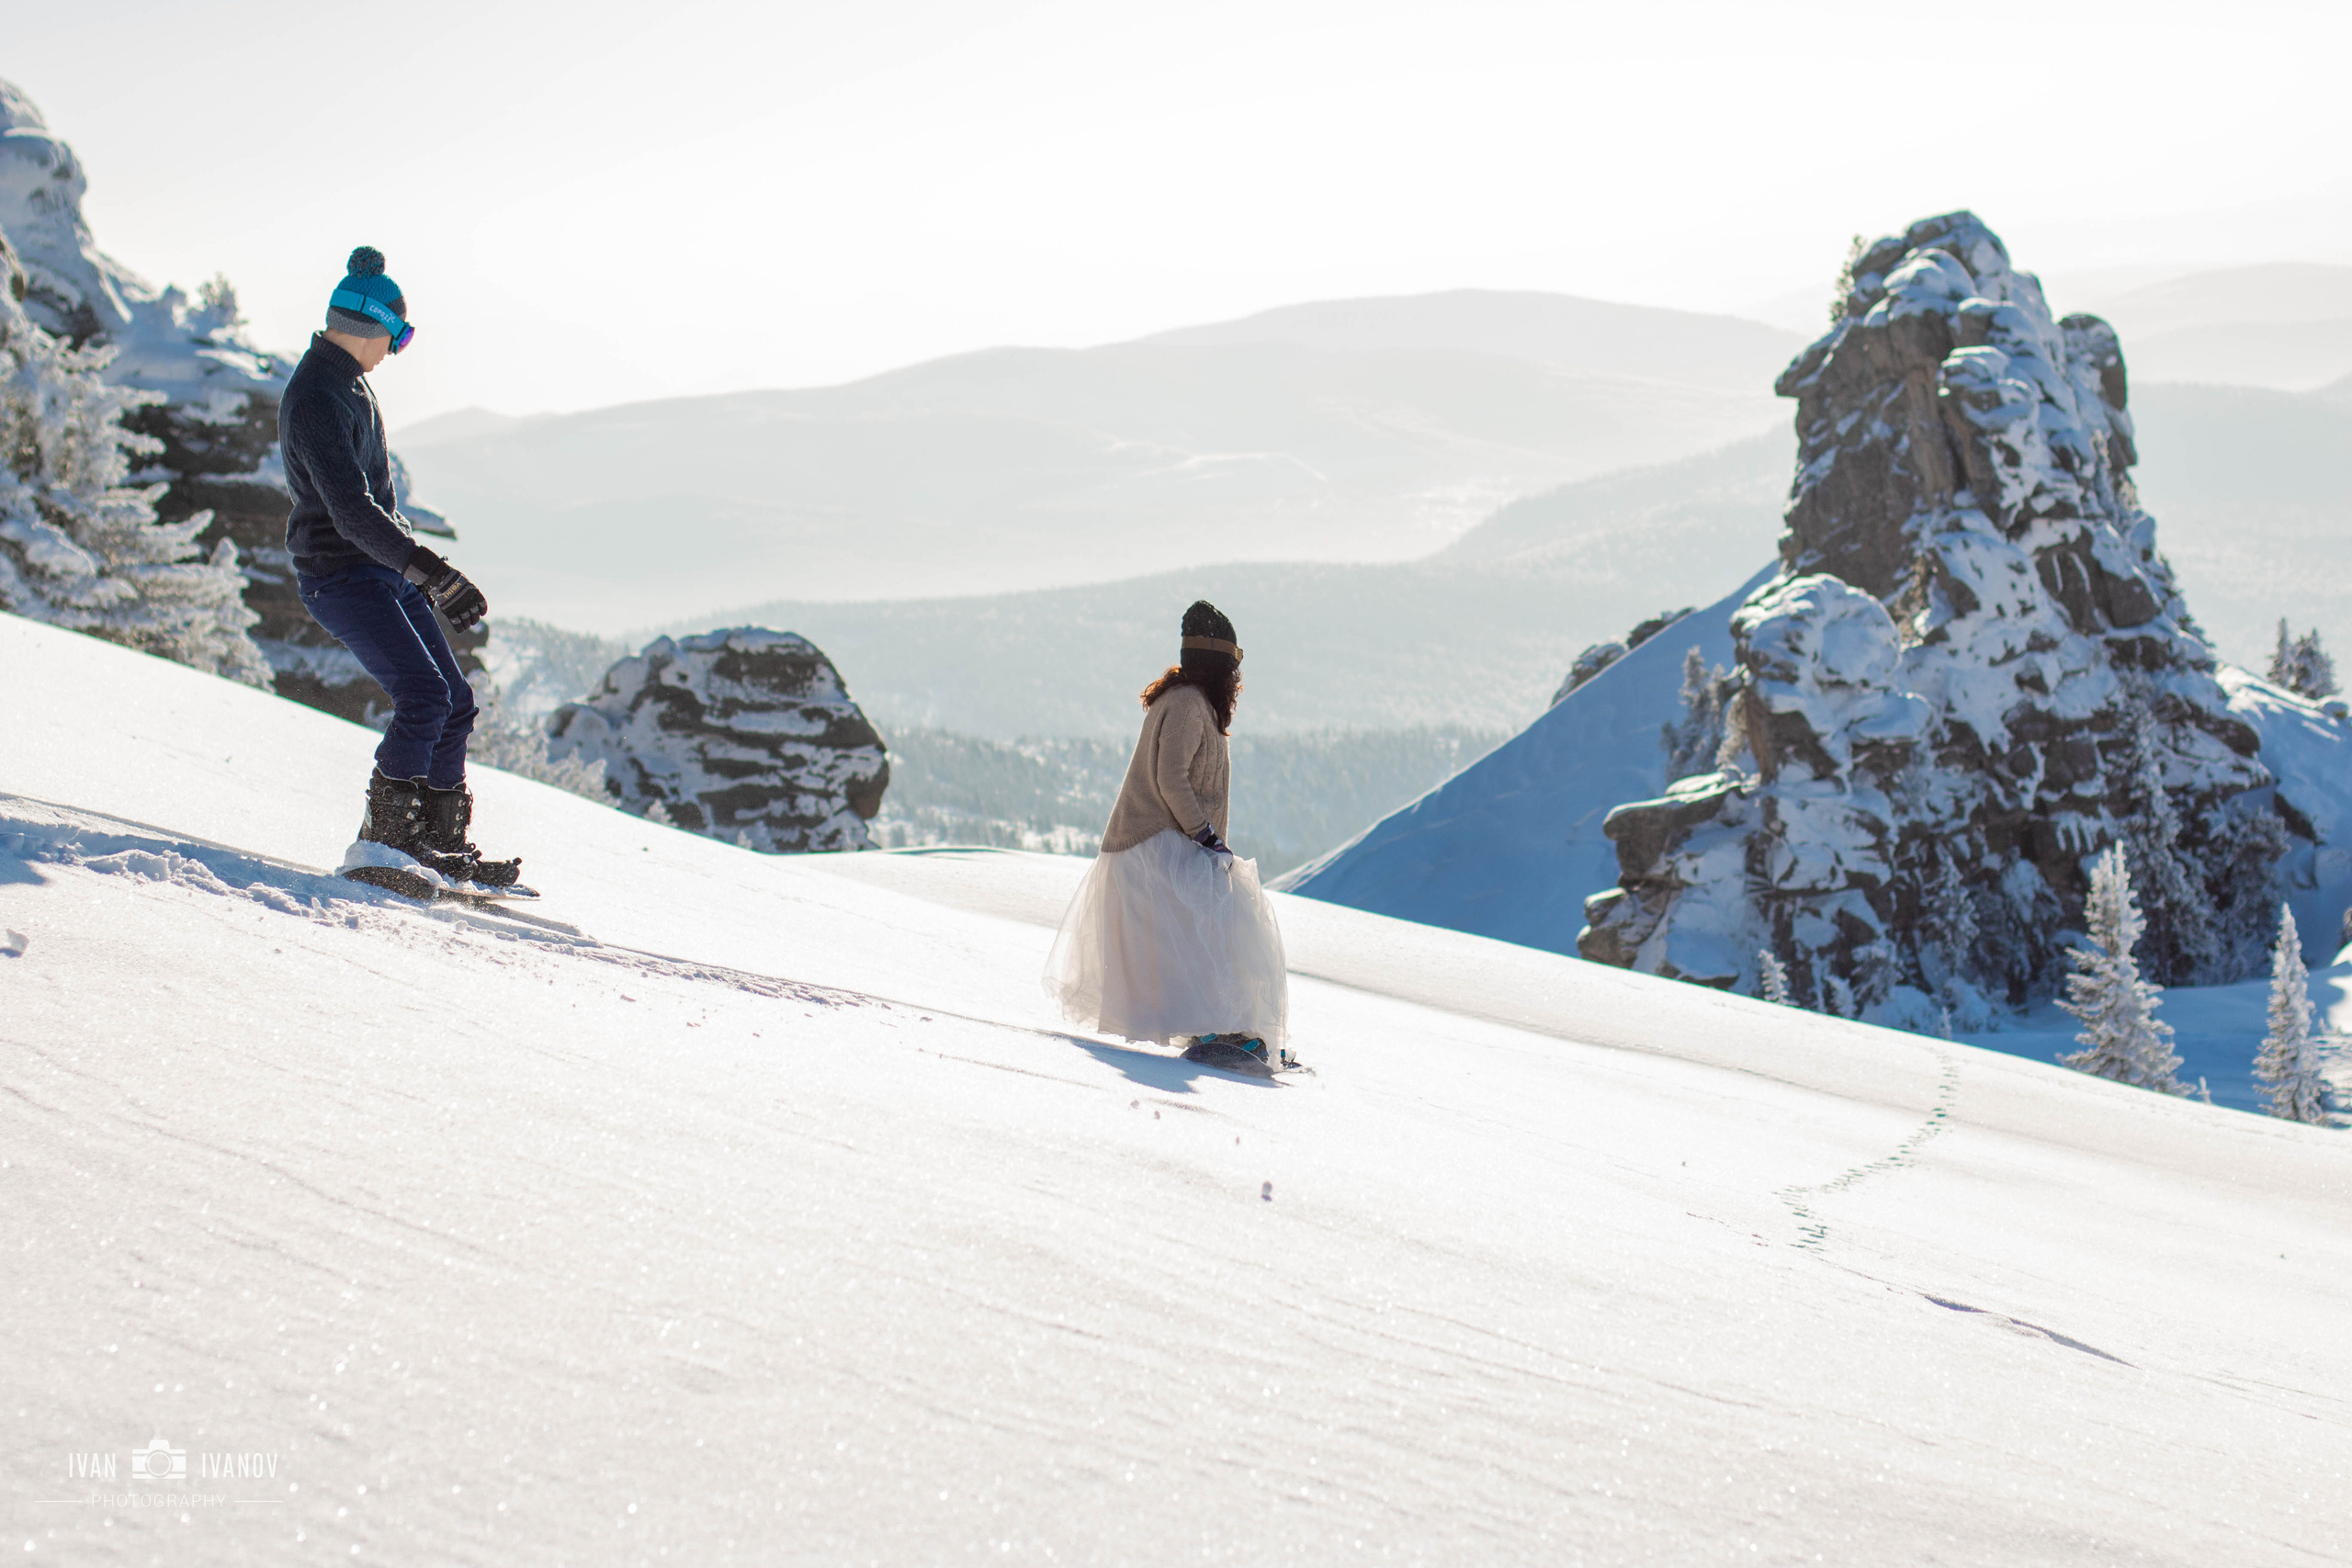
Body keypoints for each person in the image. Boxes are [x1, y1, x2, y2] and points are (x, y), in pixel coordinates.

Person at [278, 245, 519, 892]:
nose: (396, 349)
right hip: (341, 575)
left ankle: (439, 845)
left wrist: (423, 573)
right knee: (424, 696)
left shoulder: (349, 383)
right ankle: (383, 842)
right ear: (369, 324)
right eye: (400, 336)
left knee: (455, 701)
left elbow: (374, 508)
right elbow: (351, 510)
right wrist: (432, 572)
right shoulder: (317, 396)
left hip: (379, 569)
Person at [1044, 601, 1292, 1074]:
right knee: (1212, 923)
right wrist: (1204, 835)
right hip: (1152, 844)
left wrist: (1206, 841)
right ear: (1220, 664)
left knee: (1218, 920)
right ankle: (1219, 1028)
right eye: (1234, 663)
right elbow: (1171, 779)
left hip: (1170, 843)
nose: (1237, 676)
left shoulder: (1194, 704)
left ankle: (1233, 1029)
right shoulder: (1186, 705)